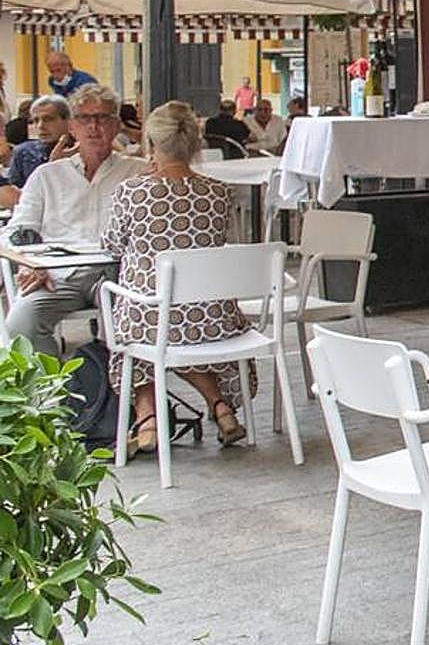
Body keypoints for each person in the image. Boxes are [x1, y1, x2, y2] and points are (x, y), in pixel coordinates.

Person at [103, 101, 252, 453]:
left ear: (150, 144)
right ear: (196, 146)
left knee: (137, 331)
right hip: (212, 318)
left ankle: (149, 422)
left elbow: (111, 246)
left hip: (151, 316)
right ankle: (220, 406)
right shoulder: (218, 193)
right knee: (171, 331)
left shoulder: (132, 193)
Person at [3, 85, 147, 357]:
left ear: (116, 125)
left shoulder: (137, 173)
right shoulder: (47, 176)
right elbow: (18, 231)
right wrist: (31, 265)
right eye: (84, 118)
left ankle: (118, 392)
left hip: (119, 273)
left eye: (103, 118)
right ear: (72, 126)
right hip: (57, 276)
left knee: (133, 324)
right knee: (21, 324)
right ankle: (52, 393)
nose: (94, 126)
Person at [2, 94, 75, 204]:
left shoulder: (80, 150)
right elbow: (15, 195)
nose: (40, 126)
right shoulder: (24, 152)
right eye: (35, 120)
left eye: (48, 119)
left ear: (68, 121)